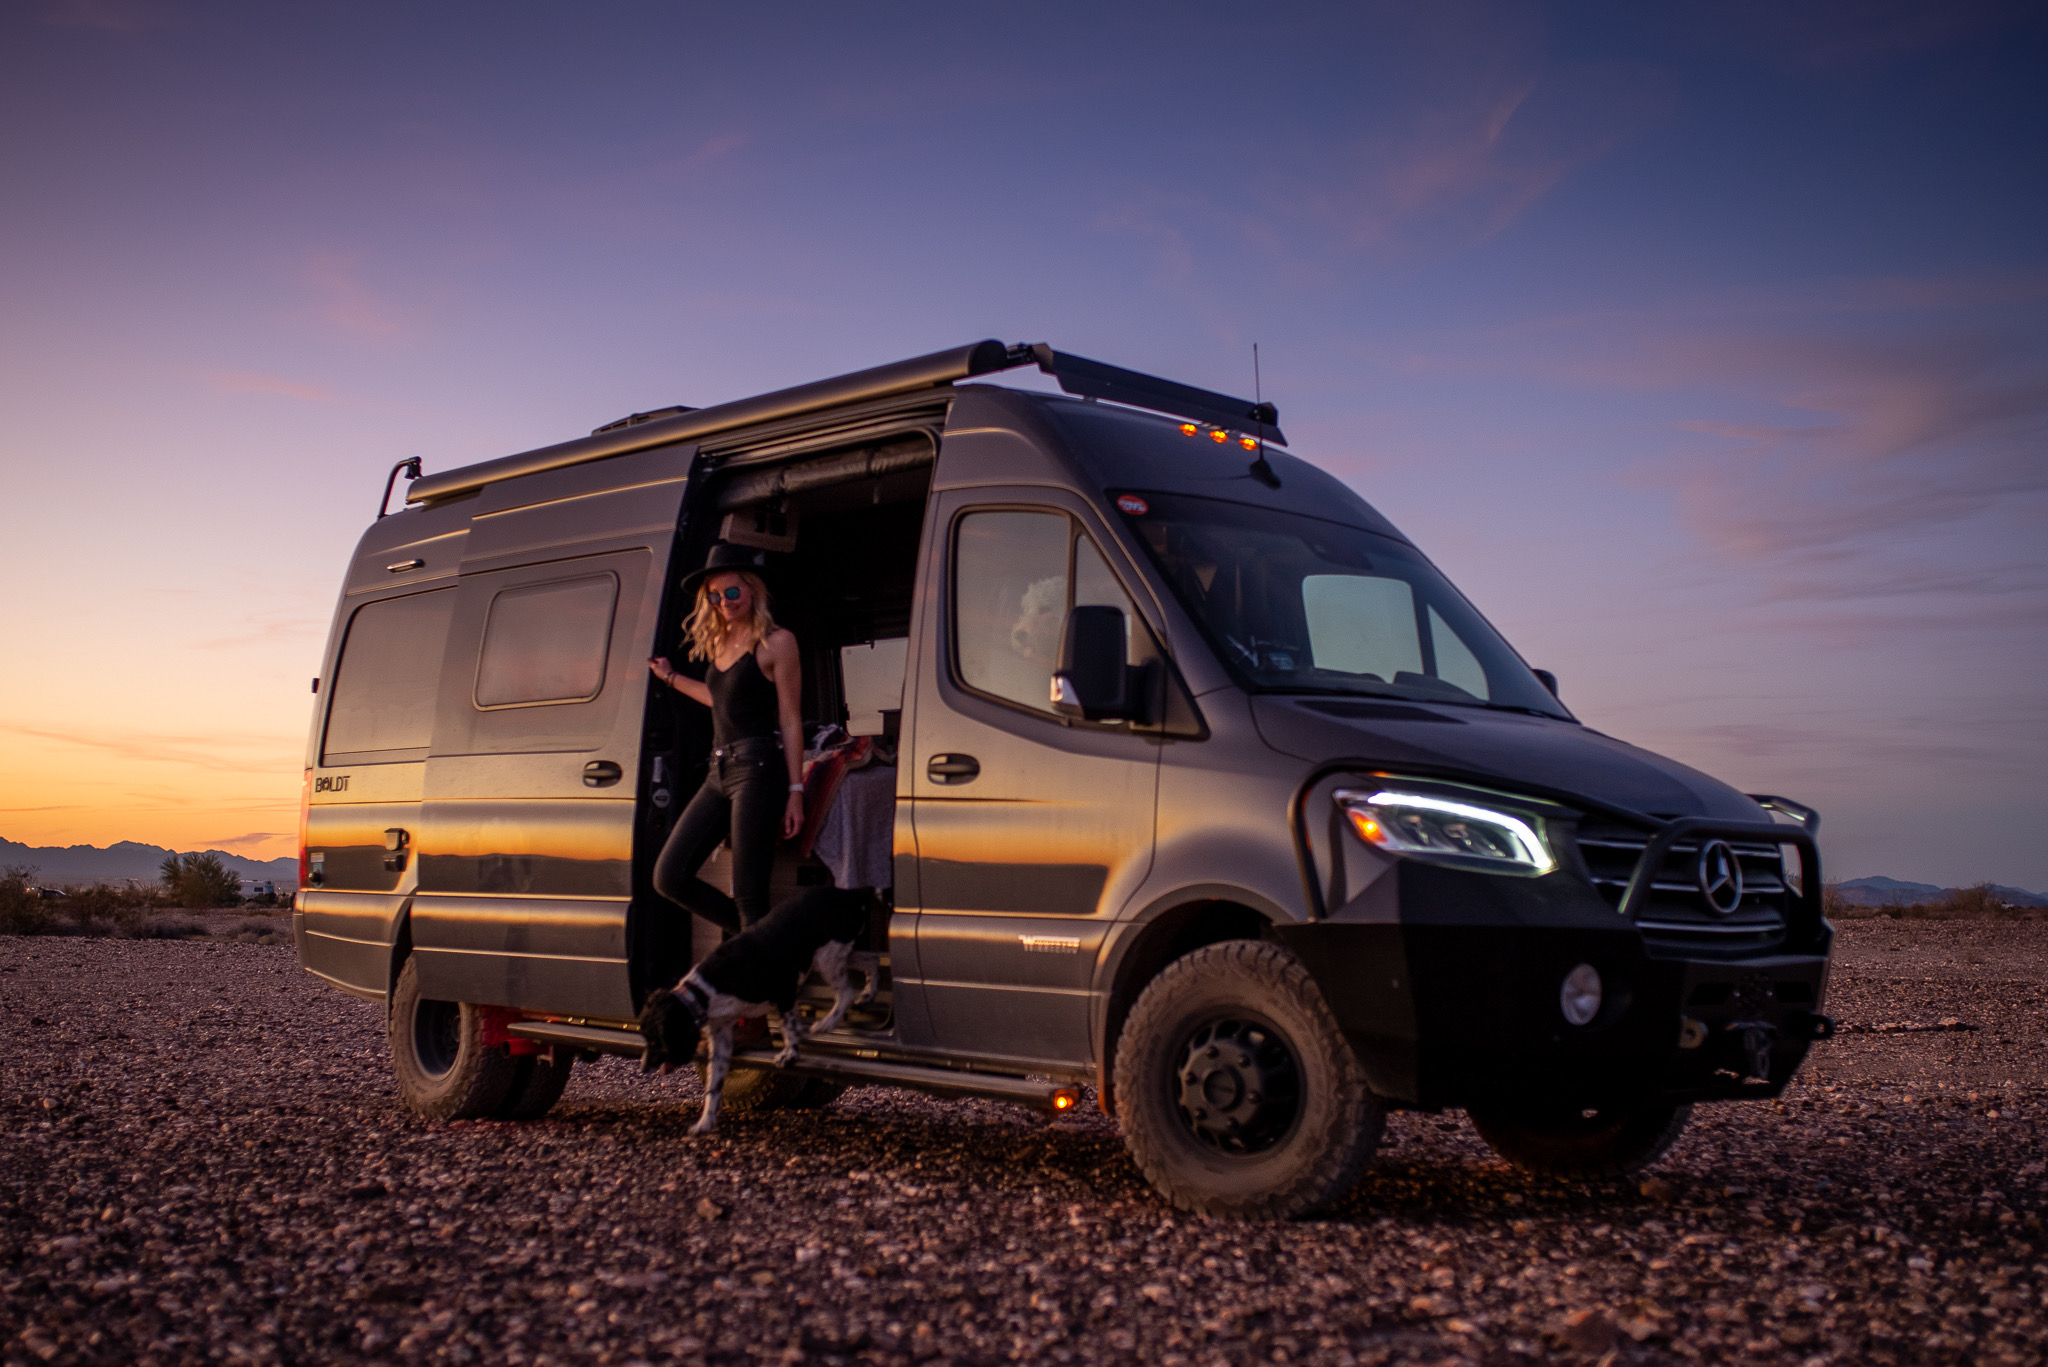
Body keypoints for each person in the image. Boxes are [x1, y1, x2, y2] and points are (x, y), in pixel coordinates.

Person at [648, 543, 805, 933]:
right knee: (669, 876)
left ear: (753, 589)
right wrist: (670, 677)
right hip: (718, 770)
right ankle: (767, 947)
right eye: (715, 596)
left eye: (732, 592)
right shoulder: (720, 641)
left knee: (750, 896)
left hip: (758, 768)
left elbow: (790, 718)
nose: (724, 602)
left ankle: (760, 973)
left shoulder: (777, 642)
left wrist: (796, 791)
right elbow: (719, 701)